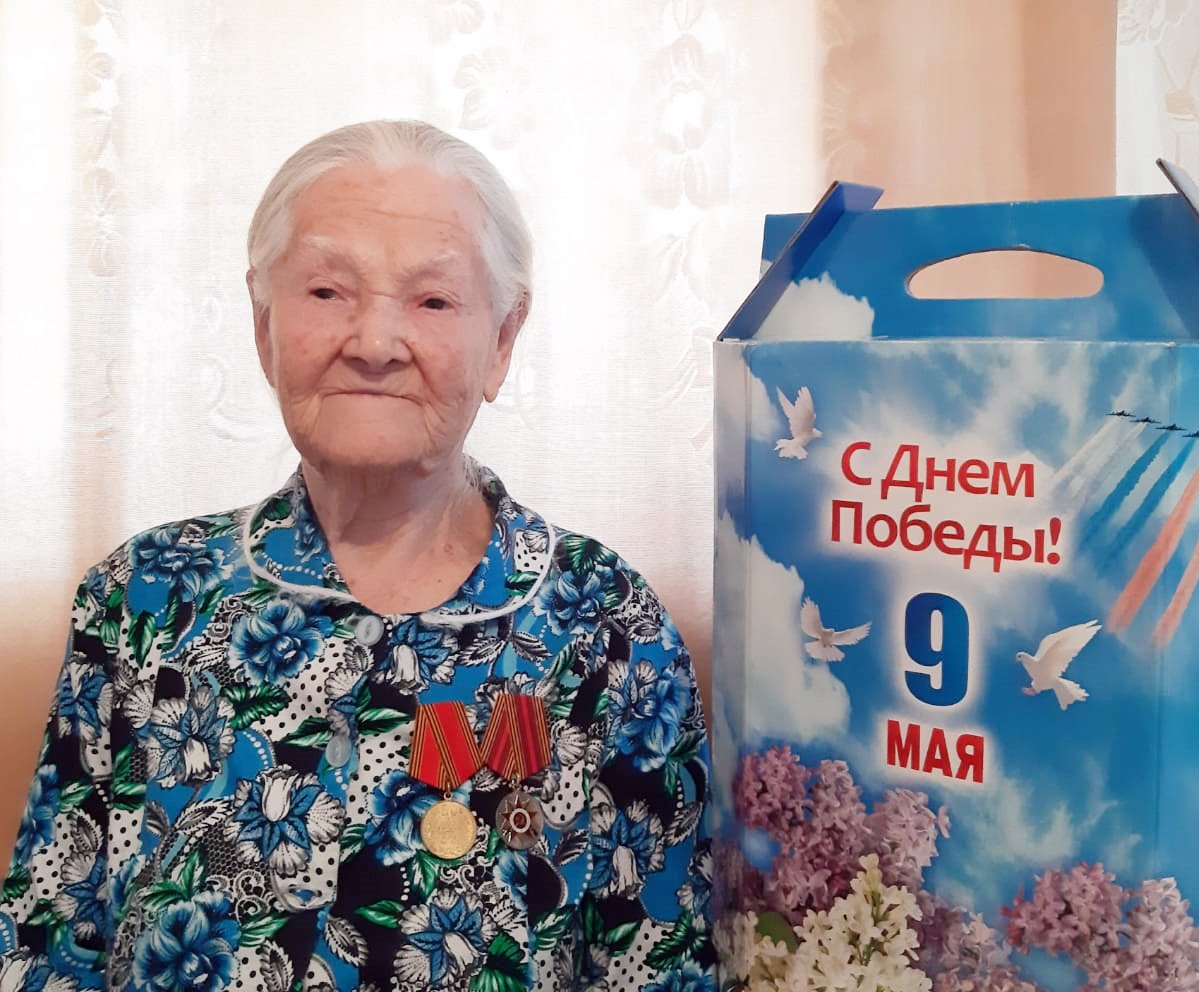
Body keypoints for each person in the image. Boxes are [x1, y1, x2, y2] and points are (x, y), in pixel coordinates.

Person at [0, 120, 714, 992]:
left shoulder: (606, 625)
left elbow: (657, 965)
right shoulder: (141, 598)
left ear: (502, 340)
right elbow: (45, 946)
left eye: (433, 301)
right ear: (264, 325)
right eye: (328, 290)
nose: (374, 343)